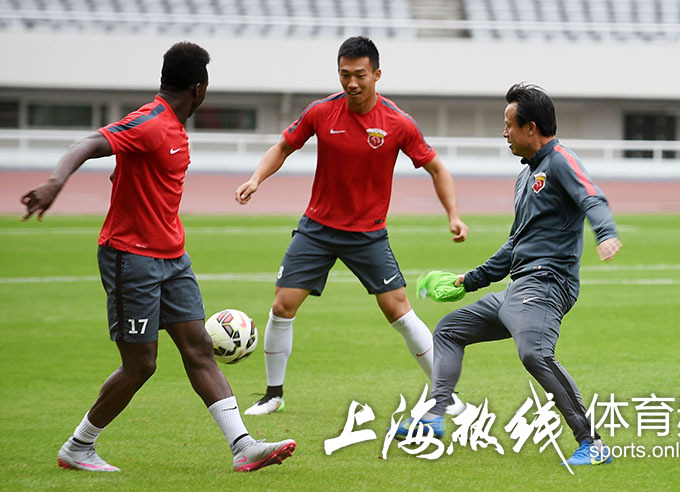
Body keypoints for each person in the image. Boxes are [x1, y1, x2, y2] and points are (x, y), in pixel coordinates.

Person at [20, 42, 295, 472]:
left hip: (173, 257)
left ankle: (243, 445)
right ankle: (78, 447)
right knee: (140, 365)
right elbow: (90, 142)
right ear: (199, 88)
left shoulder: (174, 129)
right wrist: (56, 182)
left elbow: (131, 171)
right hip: (131, 258)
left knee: (198, 347)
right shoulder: (150, 122)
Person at [235, 36, 469, 416]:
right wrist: (256, 178)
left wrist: (453, 215)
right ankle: (273, 395)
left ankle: (446, 394)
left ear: (377, 74)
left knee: (398, 310)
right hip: (317, 229)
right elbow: (283, 147)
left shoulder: (397, 123)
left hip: (367, 234)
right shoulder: (321, 112)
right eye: (345, 74)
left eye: (360, 74)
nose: (352, 83)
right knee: (282, 305)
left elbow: (437, 168)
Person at [396, 83, 622, 467]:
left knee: (534, 353)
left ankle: (592, 443)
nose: (504, 133)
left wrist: (606, 232)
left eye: (509, 125)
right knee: (449, 330)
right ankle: (435, 414)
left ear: (530, 128)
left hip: (548, 285)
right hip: (520, 289)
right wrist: (468, 280)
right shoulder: (525, 177)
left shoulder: (561, 161)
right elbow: (515, 245)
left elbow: (591, 197)